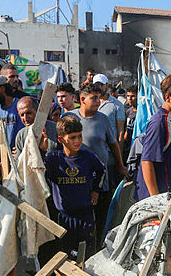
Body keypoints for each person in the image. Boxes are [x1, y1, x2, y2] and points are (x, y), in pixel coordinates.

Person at [65, 84, 127, 242]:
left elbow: (113, 145)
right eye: (94, 98)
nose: (98, 102)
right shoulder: (70, 118)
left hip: (100, 179)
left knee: (101, 216)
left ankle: (99, 246)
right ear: (82, 99)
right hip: (77, 178)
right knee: (78, 218)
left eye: (99, 98)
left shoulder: (103, 119)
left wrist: (120, 166)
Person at [44, 116, 105, 255]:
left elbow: (101, 171)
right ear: (61, 139)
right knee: (65, 254)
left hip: (85, 215)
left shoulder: (88, 157)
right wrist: (42, 150)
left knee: (87, 254)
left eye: (79, 136)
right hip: (64, 217)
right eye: (72, 137)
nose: (77, 141)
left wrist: (96, 190)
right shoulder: (53, 159)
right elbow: (39, 175)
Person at [92, 74, 125, 150]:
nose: (99, 87)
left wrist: (119, 154)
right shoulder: (90, 102)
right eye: (97, 85)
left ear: (107, 85)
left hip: (109, 150)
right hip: (93, 149)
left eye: (102, 85)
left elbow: (120, 131)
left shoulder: (117, 105)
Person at [122, 85, 138, 161]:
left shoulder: (142, 113)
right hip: (128, 148)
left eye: (132, 96)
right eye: (128, 96)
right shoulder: (128, 111)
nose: (130, 98)